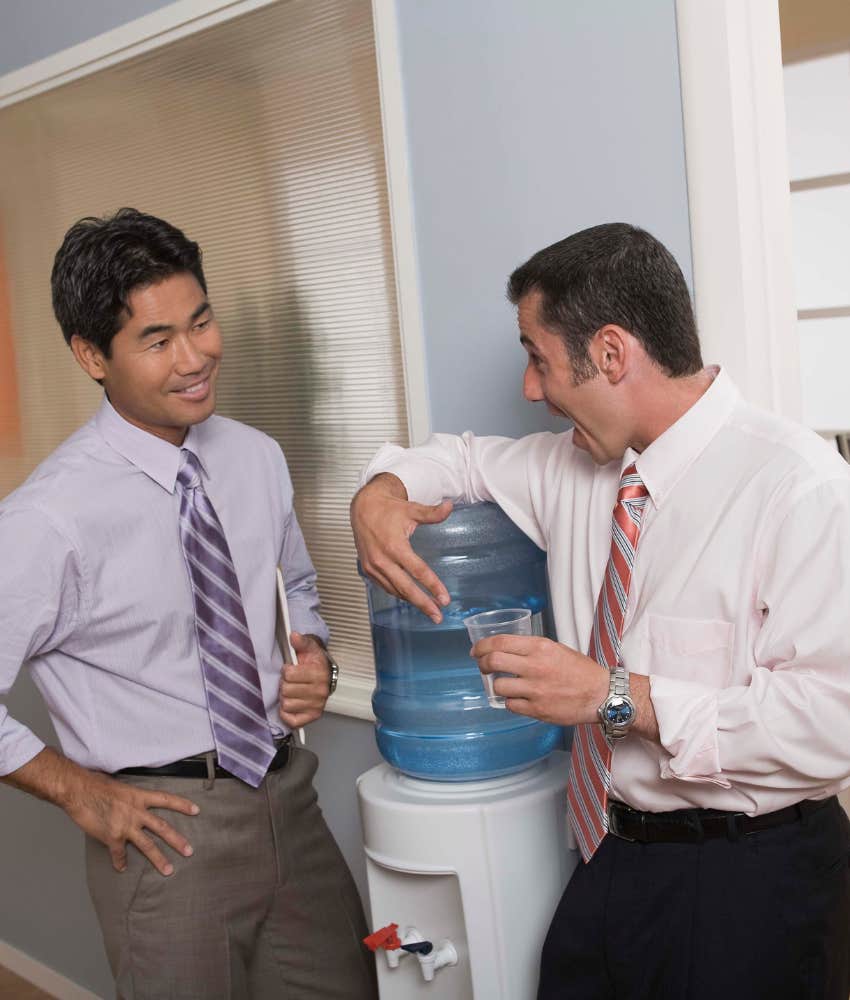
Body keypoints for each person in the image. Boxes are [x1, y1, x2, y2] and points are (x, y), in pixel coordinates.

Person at [350, 222, 850, 999]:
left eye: (537, 358)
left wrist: (609, 697)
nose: (528, 388)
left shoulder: (798, 486)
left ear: (612, 354)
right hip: (610, 855)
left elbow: (829, 723)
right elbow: (459, 459)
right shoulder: (572, 464)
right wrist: (379, 495)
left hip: (754, 876)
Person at [0, 208, 377, 999]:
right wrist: (81, 790)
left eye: (201, 320)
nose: (196, 356)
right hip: (167, 834)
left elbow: (295, 590)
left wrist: (311, 654)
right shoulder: (48, 519)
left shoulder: (255, 457)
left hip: (288, 798)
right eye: (157, 339)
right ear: (91, 356)